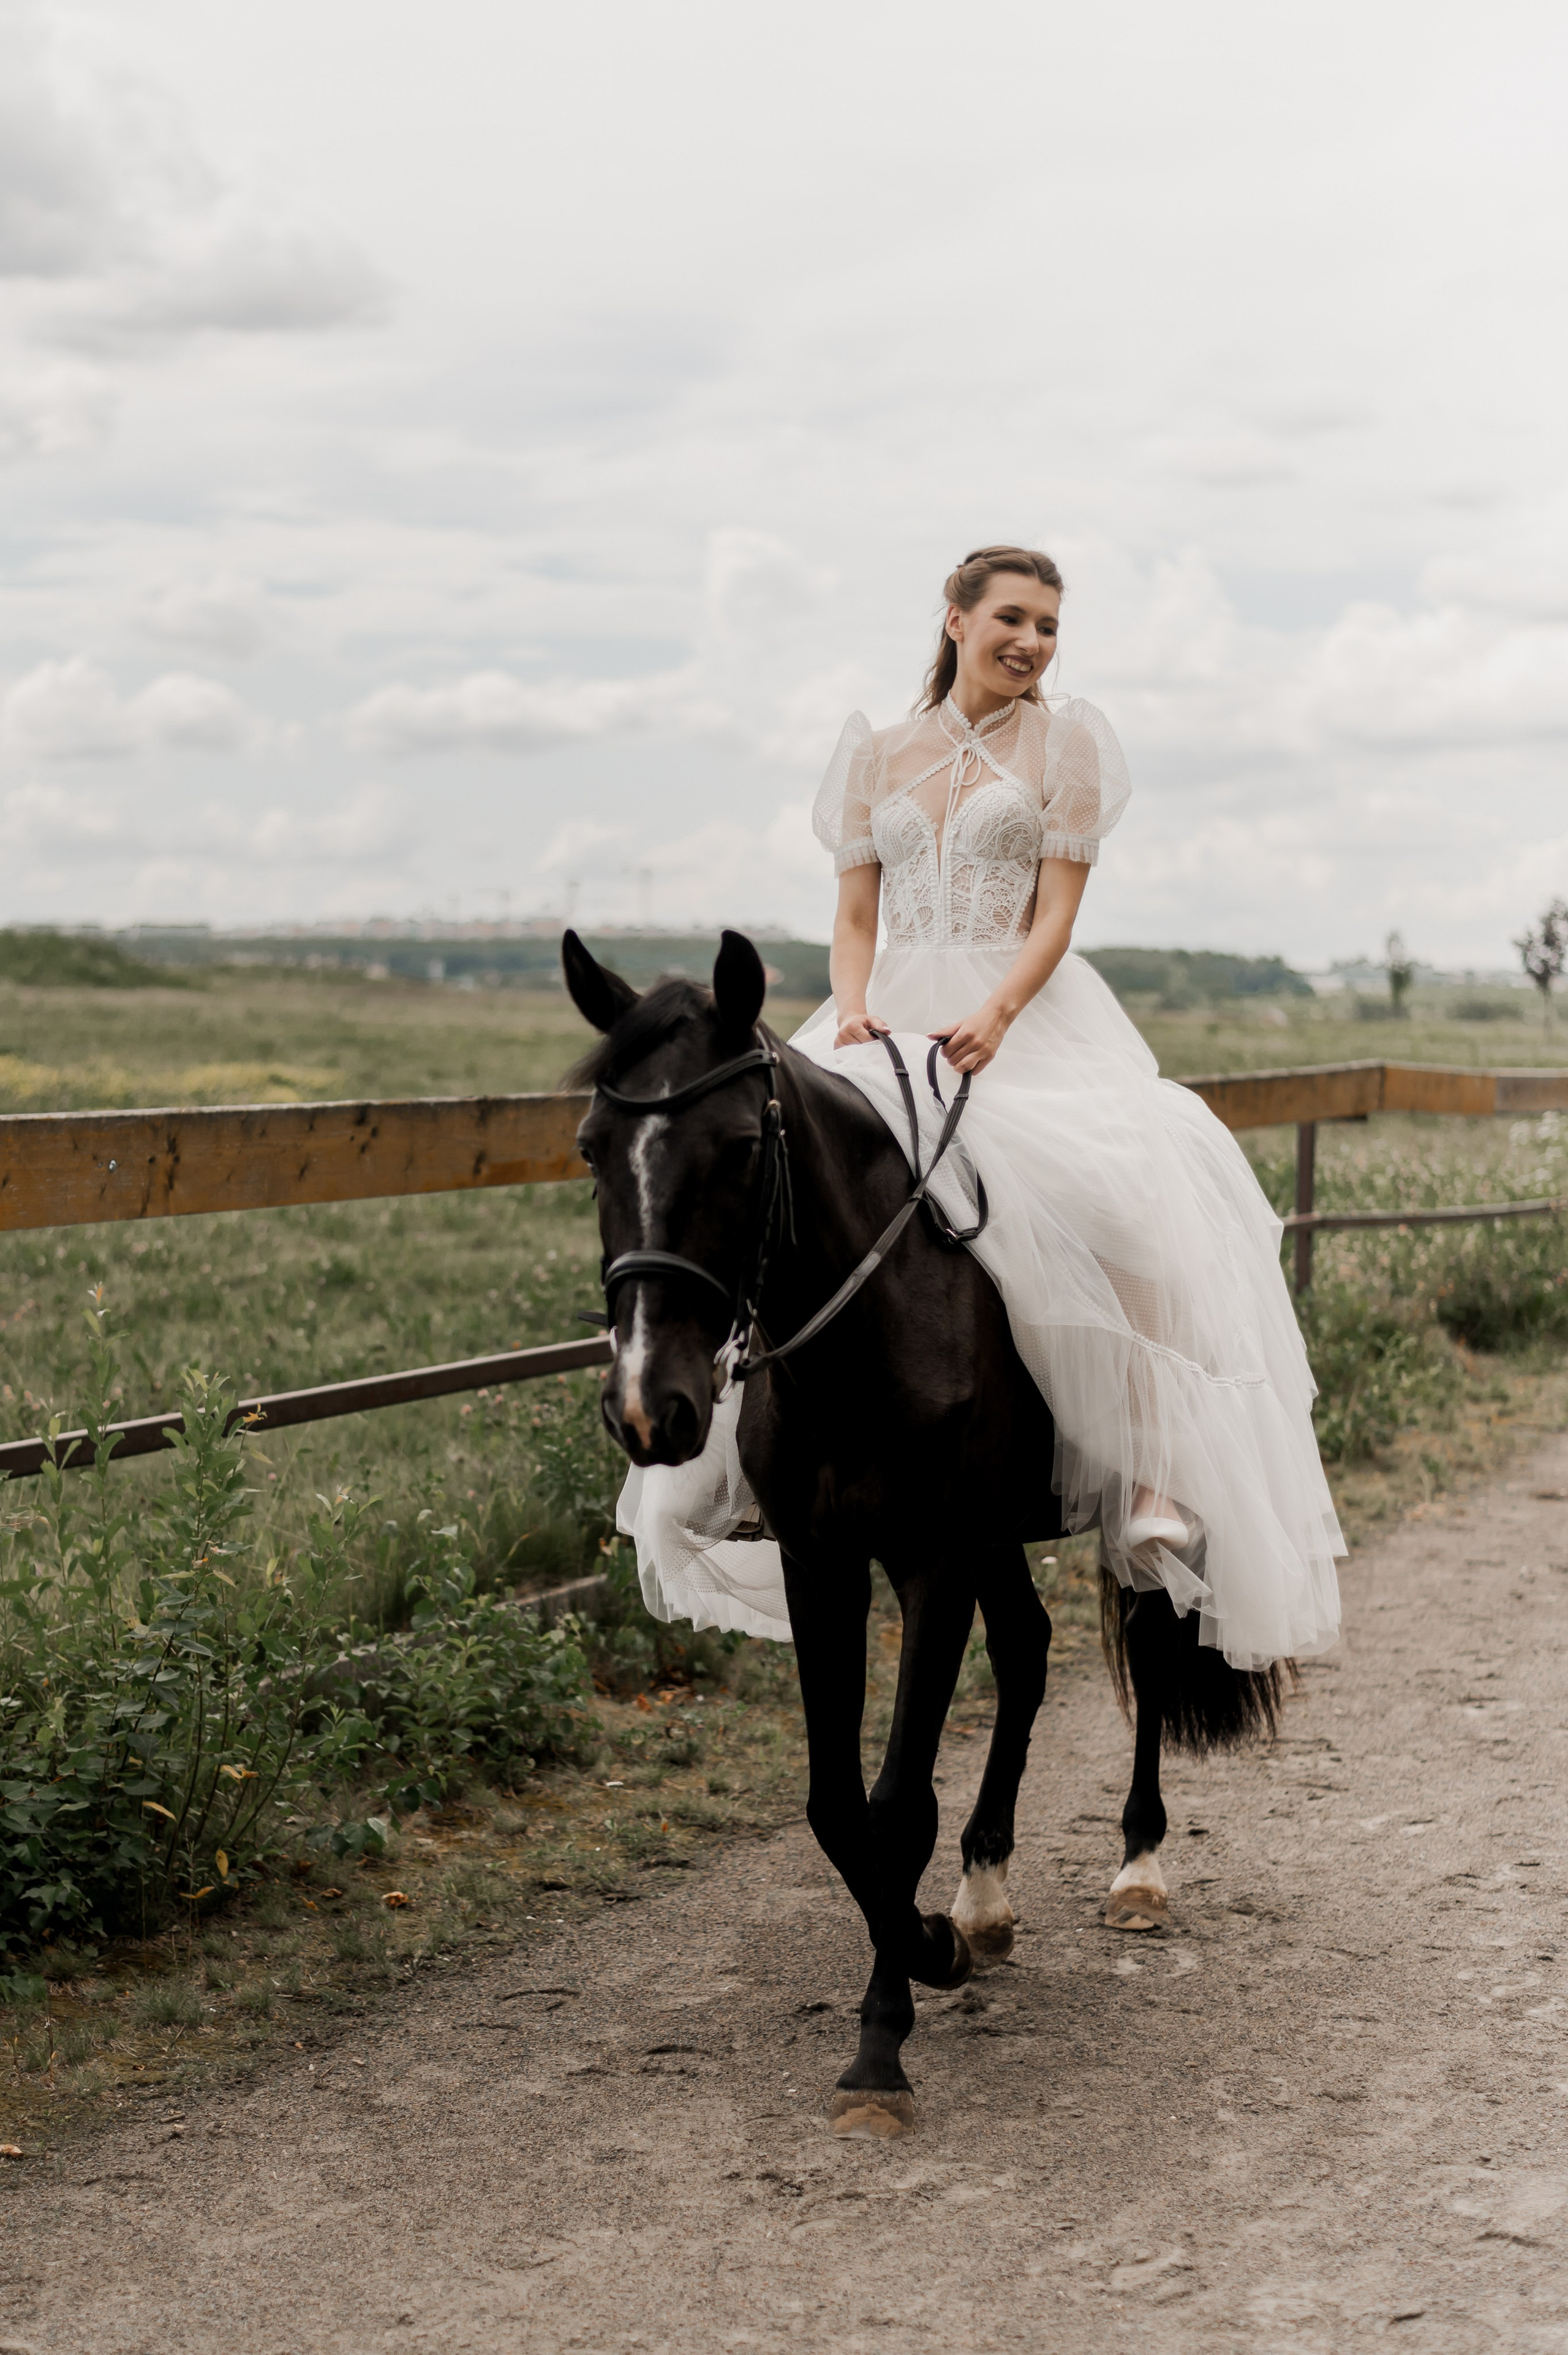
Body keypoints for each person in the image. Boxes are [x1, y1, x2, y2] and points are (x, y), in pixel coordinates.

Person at [618, 543, 1344, 1672]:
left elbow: (1055, 913)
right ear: (954, 618)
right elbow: (854, 917)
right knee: (784, 1189)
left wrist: (1001, 1012)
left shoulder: (1066, 745)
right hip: (885, 1013)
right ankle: (748, 1454)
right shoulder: (878, 753)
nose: (1034, 643)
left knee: (1129, 1184)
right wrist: (851, 1012)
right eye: (1013, 617)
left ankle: (1152, 1471)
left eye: (1051, 625)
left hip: (1023, 1009)